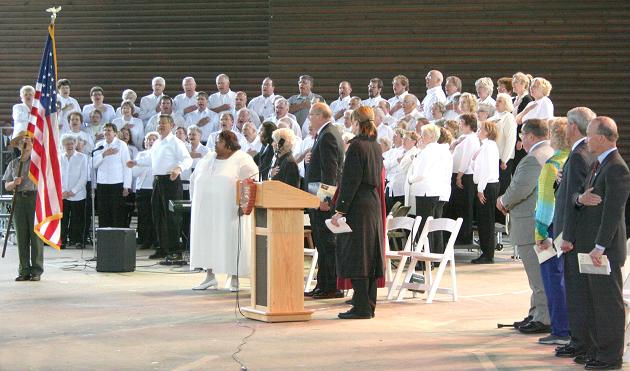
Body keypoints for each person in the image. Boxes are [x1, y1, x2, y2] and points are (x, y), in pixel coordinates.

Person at [561, 117, 630, 369]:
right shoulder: (599, 164)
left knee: (608, 305)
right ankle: (599, 350)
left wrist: (600, 247)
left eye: (589, 135)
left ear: (602, 137)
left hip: (605, 250)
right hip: (593, 248)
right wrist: (579, 198)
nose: (586, 139)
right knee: (594, 303)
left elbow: (613, 212)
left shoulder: (616, 167)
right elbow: (580, 197)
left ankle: (611, 357)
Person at [497, 119, 554, 334]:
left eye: (522, 136)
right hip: (540, 222)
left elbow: (520, 188)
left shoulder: (534, 158)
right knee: (539, 273)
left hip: (531, 224)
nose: (521, 141)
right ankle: (536, 312)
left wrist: (503, 201)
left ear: (530, 136)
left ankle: (544, 317)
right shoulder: (549, 152)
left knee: (537, 274)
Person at [330, 106, 384, 319]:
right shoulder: (375, 146)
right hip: (372, 202)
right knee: (369, 254)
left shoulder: (356, 147)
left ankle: (361, 306)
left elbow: (350, 182)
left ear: (356, 123)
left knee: (358, 254)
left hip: (358, 205)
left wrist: (340, 210)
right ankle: (368, 304)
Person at [552, 107, 597, 359]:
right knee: (577, 290)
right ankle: (578, 339)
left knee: (578, 291)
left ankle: (581, 341)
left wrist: (567, 235)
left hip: (576, 235)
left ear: (573, 126)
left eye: (567, 124)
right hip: (576, 233)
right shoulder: (581, 153)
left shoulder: (580, 155)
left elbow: (576, 199)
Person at [189, 131, 258, 291]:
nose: (215, 143)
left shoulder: (242, 159)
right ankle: (209, 276)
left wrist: (244, 204)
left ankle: (233, 278)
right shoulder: (208, 158)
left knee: (231, 241)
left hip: (230, 211)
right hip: (206, 210)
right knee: (207, 240)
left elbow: (251, 182)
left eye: (219, 141)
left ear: (228, 145)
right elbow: (194, 178)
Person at [127, 114, 192, 261]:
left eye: (163, 123)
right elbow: (151, 159)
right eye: (158, 123)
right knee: (158, 216)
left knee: (172, 217)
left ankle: (175, 250)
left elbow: (187, 158)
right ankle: (163, 248)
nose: (160, 126)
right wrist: (136, 163)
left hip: (171, 181)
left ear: (171, 125)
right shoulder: (157, 142)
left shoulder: (175, 142)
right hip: (157, 182)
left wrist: (178, 169)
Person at [534, 117, 571, 345]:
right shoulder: (573, 159)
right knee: (564, 278)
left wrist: (540, 232)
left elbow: (546, 201)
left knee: (552, 278)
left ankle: (560, 329)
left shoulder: (553, 163)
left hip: (551, 226)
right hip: (568, 224)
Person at [304, 102, 344, 299]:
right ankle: (323, 284)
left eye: (311, 114)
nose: (309, 118)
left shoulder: (328, 134)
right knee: (321, 242)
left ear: (320, 115)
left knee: (327, 242)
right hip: (317, 195)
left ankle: (330, 286)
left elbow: (331, 170)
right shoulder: (326, 133)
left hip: (323, 199)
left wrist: (325, 199)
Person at [407, 124, 453, 254]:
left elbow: (420, 173)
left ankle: (426, 256)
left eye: (424, 134)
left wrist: (410, 179)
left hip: (425, 191)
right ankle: (437, 255)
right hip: (438, 191)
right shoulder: (443, 150)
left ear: (432, 136)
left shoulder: (428, 150)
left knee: (424, 225)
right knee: (435, 225)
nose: (421, 137)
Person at [4, 137, 44, 281]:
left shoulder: (37, 163)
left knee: (35, 236)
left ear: (33, 145)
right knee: (22, 236)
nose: (25, 144)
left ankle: (37, 270)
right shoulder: (14, 164)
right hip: (19, 199)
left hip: (34, 199)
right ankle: (24, 270)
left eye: (28, 142)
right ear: (18, 146)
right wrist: (14, 183)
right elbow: (6, 185)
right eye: (21, 142)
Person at [471, 120, 500, 263]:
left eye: (481, 129)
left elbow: (486, 170)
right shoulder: (485, 146)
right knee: (483, 221)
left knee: (486, 221)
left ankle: (488, 254)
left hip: (487, 186)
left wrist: (480, 189)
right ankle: (486, 252)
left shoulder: (489, 146)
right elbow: (477, 166)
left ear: (488, 131)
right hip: (485, 185)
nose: (478, 131)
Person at [132, 131, 160, 250]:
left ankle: (156, 240)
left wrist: (143, 166)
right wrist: (144, 166)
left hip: (155, 188)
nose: (151, 141)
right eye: (149, 139)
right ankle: (145, 240)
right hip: (142, 188)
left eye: (154, 139)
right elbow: (134, 172)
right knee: (144, 215)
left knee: (156, 215)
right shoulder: (140, 155)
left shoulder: (160, 154)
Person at [60, 134, 88, 249]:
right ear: (63, 146)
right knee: (63, 219)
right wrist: (63, 191)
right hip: (62, 194)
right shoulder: (59, 157)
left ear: (75, 144)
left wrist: (73, 191)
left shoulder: (82, 157)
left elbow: (84, 177)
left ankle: (76, 240)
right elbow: (56, 176)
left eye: (72, 143)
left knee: (77, 219)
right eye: (67, 144)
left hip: (78, 194)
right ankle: (62, 241)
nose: (70, 146)